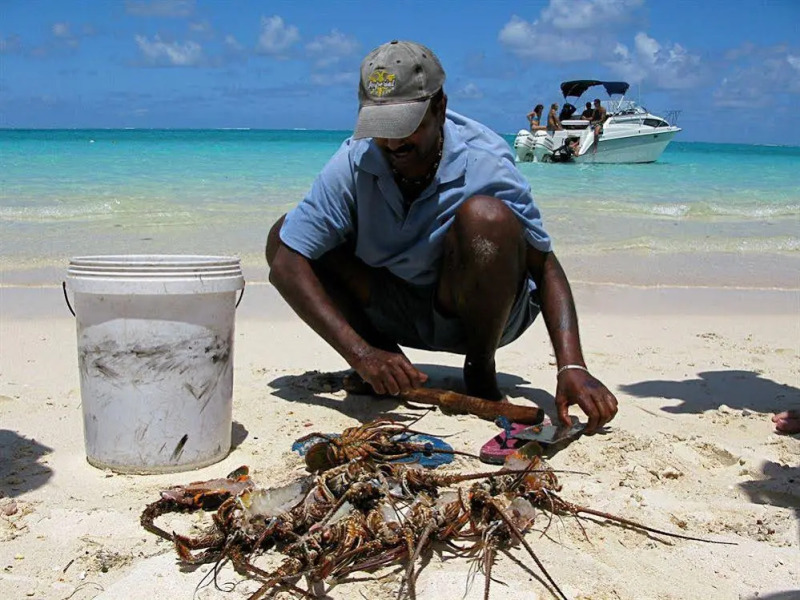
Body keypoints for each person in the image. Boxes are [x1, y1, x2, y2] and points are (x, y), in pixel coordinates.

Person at [265, 40, 617, 434]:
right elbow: (285, 263)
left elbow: (546, 268)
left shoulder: (486, 161)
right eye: (382, 129)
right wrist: (362, 355)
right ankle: (389, 367)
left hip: (479, 311)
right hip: (397, 306)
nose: (394, 143)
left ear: (440, 107)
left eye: (406, 127)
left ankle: (479, 366)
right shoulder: (355, 159)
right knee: (286, 235)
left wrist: (573, 366)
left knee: (486, 218)